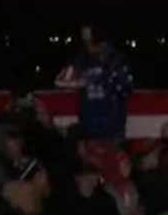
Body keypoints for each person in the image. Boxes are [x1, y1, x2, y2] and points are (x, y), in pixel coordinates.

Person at [56, 22, 134, 153]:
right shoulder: (81, 60)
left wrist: (105, 80)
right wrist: (81, 82)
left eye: (90, 40)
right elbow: (60, 81)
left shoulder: (115, 59)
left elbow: (127, 88)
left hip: (113, 126)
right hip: (89, 125)